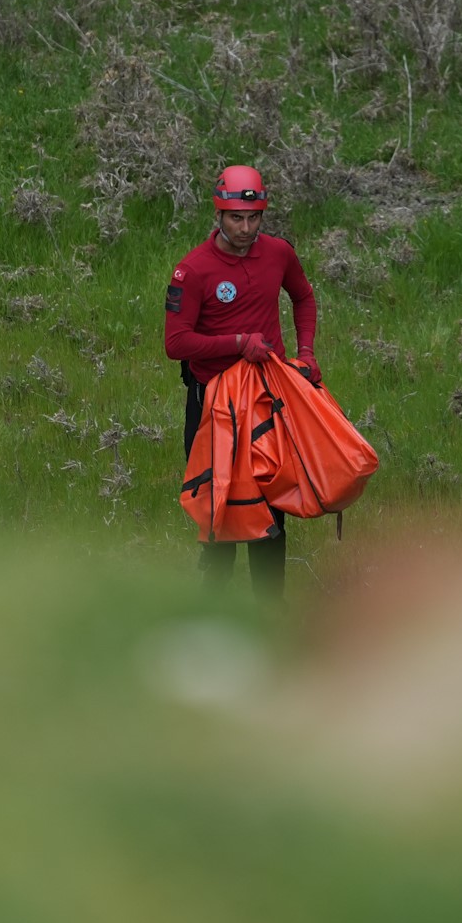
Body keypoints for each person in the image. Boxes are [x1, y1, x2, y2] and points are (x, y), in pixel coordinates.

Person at [164, 164, 319, 599]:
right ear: (218, 214)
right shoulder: (192, 271)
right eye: (236, 218)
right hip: (213, 405)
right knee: (220, 514)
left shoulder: (278, 253)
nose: (247, 227)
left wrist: (306, 354)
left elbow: (303, 297)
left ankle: (268, 613)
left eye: (254, 218)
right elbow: (176, 343)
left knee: (272, 509)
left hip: (268, 400)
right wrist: (236, 343)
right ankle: (211, 614)